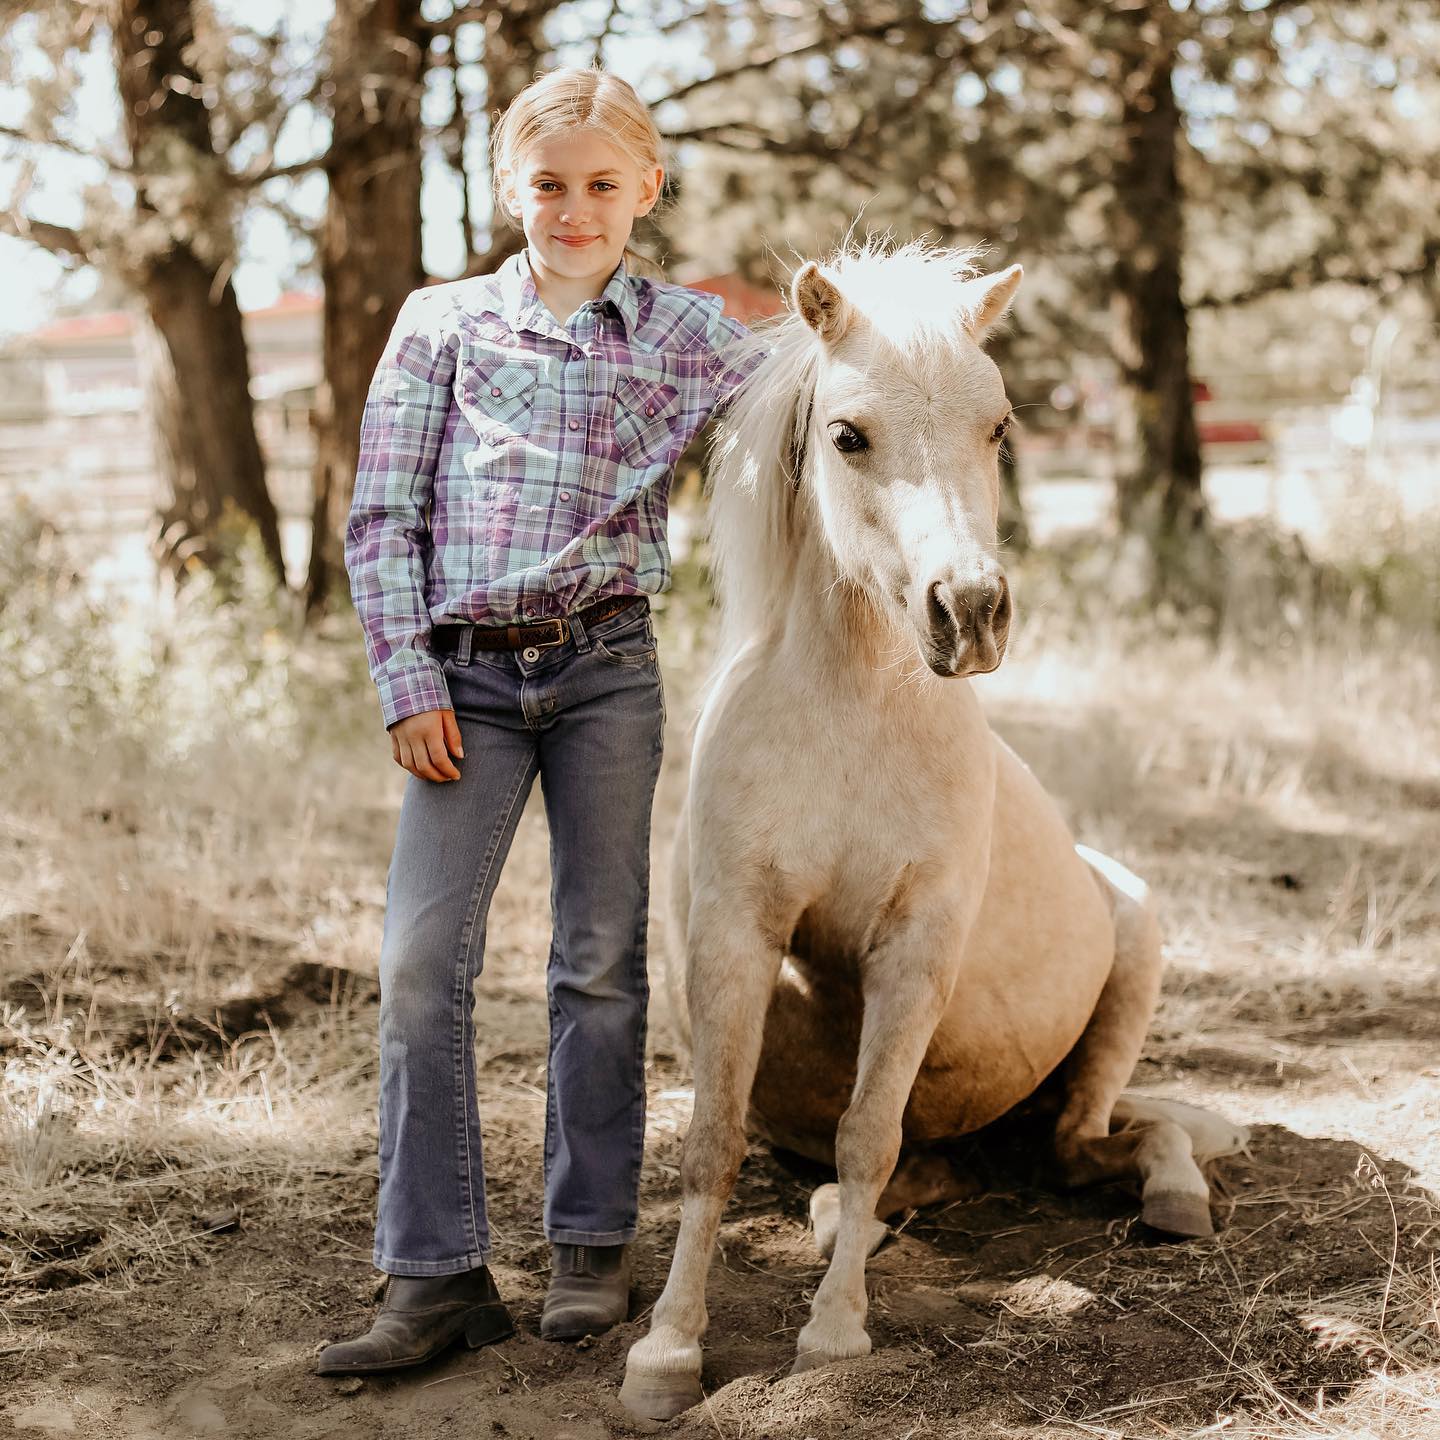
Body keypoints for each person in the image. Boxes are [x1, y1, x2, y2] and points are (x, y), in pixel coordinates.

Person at [316, 66, 766, 1376]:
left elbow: (809, 405)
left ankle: (589, 1244)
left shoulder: (686, 334)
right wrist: (407, 684)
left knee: (597, 961)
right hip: (467, 686)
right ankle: (434, 1272)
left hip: (607, 674)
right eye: (550, 184)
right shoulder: (445, 324)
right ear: (513, 188)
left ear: (647, 192)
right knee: (420, 966)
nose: (574, 210)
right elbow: (382, 517)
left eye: (601, 186)